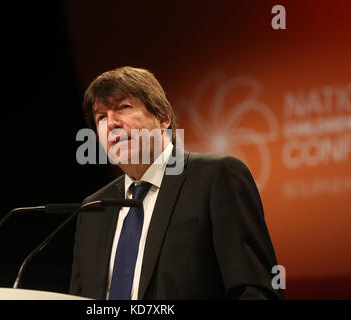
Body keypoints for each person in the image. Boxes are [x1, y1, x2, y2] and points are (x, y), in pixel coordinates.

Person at [69, 66, 283, 300]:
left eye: (123, 107)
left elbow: (255, 290)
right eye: (101, 117)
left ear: (163, 118)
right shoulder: (93, 208)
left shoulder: (215, 177)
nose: (111, 123)